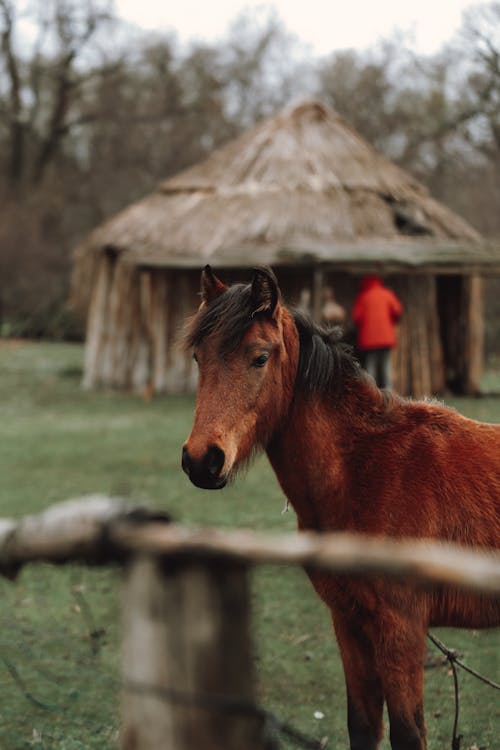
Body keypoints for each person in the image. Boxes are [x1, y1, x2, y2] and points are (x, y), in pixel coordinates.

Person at [352, 274, 403, 389]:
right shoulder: (387, 294)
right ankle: (389, 394)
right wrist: (392, 321)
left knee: (371, 366)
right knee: (386, 366)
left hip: (369, 340)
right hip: (386, 338)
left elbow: (356, 317)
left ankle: (371, 395)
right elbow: (398, 310)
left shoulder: (363, 297)